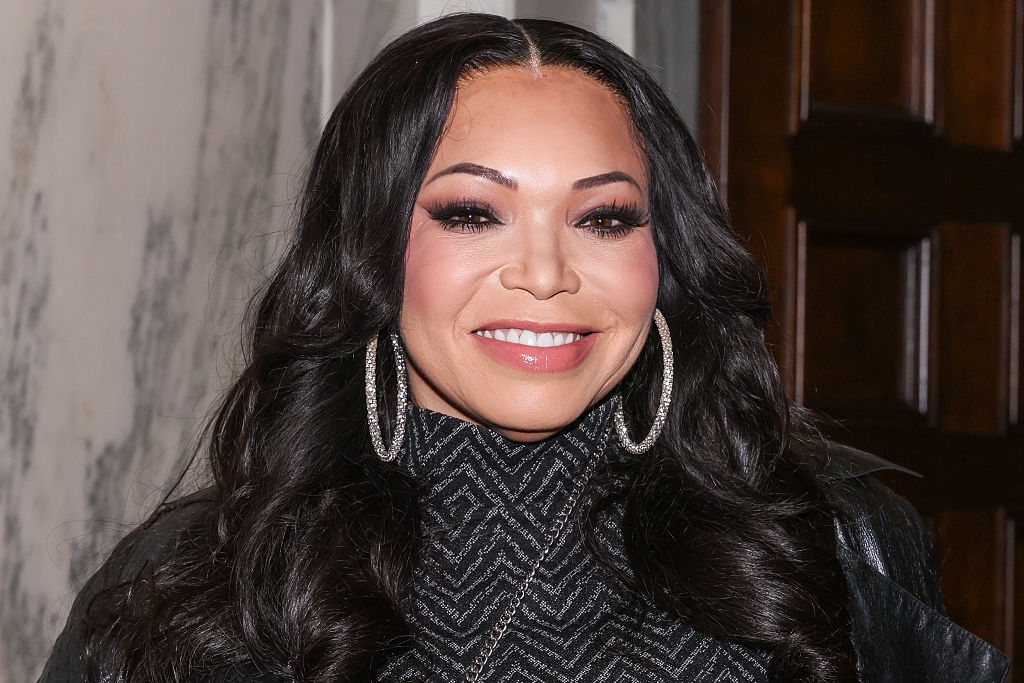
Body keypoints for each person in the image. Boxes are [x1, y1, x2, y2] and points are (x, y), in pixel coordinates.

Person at [41, 13, 1008, 683]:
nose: (545, 273)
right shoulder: (189, 592)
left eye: (603, 219)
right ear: (370, 251)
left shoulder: (825, 551)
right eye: (472, 212)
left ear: (664, 260)